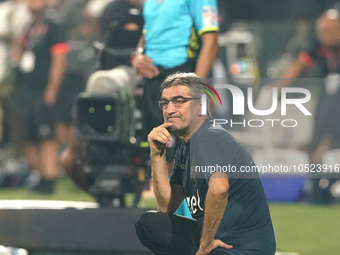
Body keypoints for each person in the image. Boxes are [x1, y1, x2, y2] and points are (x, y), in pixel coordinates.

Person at [135, 72, 276, 255]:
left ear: (200, 104)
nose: (169, 110)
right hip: (216, 242)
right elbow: (166, 206)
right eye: (165, 102)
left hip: (240, 248)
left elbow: (219, 189)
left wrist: (205, 243)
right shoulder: (186, 148)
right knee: (150, 225)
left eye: (179, 101)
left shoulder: (209, 137)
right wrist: (157, 153)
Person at [11, 0, 69, 193]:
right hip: (24, 87)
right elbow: (18, 52)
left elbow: (59, 58)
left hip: (42, 88)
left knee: (46, 135)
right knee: (28, 136)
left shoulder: (54, 25)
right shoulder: (28, 26)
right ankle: (41, 175)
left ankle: (50, 177)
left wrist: (52, 89)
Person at [276, 8, 340, 164]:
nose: (322, 36)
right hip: (330, 83)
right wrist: (278, 86)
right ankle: (317, 141)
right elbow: (300, 63)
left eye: (327, 31)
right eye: (320, 31)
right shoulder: (320, 42)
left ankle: (330, 141)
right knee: (321, 107)